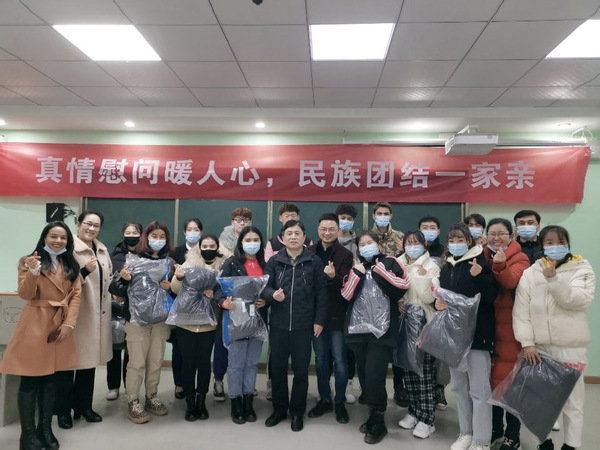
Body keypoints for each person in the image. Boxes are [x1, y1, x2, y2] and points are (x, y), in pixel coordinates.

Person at [0, 221, 82, 450]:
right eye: (53, 236)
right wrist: (33, 272)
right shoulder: (29, 261)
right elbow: (25, 294)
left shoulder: (71, 264)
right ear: (44, 238)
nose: (58, 241)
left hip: (60, 325)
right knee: (30, 379)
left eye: (63, 237)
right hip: (35, 324)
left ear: (68, 241)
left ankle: (45, 428)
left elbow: (76, 296)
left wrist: (69, 324)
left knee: (51, 379)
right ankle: (27, 435)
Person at [514, 225, 595, 450]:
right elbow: (521, 310)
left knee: (572, 402)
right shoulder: (531, 272)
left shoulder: (581, 268)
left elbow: (578, 300)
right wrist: (527, 343)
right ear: (542, 246)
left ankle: (571, 444)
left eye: (560, 242)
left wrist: (554, 280)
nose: (555, 246)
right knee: (541, 400)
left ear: (568, 244)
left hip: (571, 347)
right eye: (549, 243)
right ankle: (544, 441)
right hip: (540, 349)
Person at [341, 230, 409, 444]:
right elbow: (346, 294)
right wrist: (357, 273)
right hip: (358, 330)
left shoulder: (391, 263)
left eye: (369, 242)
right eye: (362, 244)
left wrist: (380, 270)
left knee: (375, 374)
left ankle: (379, 420)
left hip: (382, 331)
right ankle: (372, 414)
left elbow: (402, 286)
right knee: (363, 374)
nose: (366, 247)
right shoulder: (357, 266)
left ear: (378, 245)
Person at [435, 222, 497, 450]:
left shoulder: (480, 262)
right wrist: (437, 303)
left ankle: (481, 441)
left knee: (479, 391)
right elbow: (443, 297)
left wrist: (480, 276)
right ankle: (466, 433)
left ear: (469, 241)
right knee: (460, 389)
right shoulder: (447, 267)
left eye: (460, 239)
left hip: (478, 336)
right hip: (454, 337)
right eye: (452, 240)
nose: (456, 244)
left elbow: (491, 297)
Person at [262, 220, 328, 432]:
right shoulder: (274, 261)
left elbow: (322, 293)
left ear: (304, 237)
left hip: (303, 325)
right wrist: (272, 295)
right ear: (282, 238)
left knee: (301, 371)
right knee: (278, 369)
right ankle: (279, 409)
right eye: (289, 233)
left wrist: (319, 320)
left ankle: (297, 412)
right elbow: (264, 287)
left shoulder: (314, 261)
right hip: (279, 325)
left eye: (297, 233)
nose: (293, 237)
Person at [109, 221, 175, 424]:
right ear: (146, 238)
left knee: (155, 361)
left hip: (161, 319)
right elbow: (115, 289)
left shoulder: (170, 263)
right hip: (136, 319)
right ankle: (133, 400)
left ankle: (152, 396)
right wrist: (124, 278)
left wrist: (171, 287)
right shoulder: (133, 260)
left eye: (162, 237)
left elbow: (178, 291)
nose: (158, 240)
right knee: (136, 363)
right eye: (154, 236)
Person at [55, 210, 113, 429]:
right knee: (66, 365)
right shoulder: (67, 248)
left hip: (97, 315)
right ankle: (63, 411)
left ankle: (84, 407)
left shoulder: (102, 250)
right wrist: (83, 272)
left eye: (96, 225)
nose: (91, 228)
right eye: (87, 224)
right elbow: (58, 281)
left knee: (88, 364)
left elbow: (107, 280)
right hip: (74, 315)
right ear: (78, 224)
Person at [483, 218, 529, 450]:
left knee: (510, 384)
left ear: (511, 236)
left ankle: (513, 435)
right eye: (492, 233)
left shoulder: (520, 258)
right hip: (486, 327)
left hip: (510, 329)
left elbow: (511, 282)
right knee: (490, 383)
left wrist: (500, 265)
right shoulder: (481, 255)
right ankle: (495, 429)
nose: (497, 238)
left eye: (501, 233)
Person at [214, 226, 268, 424]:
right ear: (241, 243)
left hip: (257, 320)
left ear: (261, 243)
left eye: (256, 240)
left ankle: (248, 401)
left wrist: (266, 300)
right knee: (236, 364)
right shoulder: (232, 263)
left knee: (252, 363)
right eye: (248, 240)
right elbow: (218, 289)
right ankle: (236, 402)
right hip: (235, 320)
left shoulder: (266, 264)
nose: (252, 243)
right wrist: (223, 303)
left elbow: (270, 289)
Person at [170, 234, 226, 421]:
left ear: (217, 248)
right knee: (188, 364)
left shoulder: (223, 266)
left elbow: (227, 291)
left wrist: (215, 293)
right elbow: (175, 289)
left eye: (212, 246)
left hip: (209, 325)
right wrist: (179, 278)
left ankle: (201, 401)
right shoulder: (189, 263)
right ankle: (190, 402)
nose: (208, 249)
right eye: (205, 246)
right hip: (186, 323)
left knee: (203, 364)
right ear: (199, 248)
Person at [307, 214, 353, 424]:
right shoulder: (309, 252)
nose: (327, 233)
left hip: (337, 316)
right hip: (316, 316)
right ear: (318, 230)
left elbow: (347, 286)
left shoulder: (345, 254)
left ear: (338, 230)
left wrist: (334, 277)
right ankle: (325, 399)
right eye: (323, 229)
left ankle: (339, 401)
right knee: (321, 359)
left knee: (340, 359)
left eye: (331, 229)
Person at [396, 230, 440, 440]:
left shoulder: (431, 266)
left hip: (425, 323)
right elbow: (394, 289)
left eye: (417, 243)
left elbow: (430, 297)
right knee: (409, 369)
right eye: (409, 242)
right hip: (405, 324)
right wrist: (398, 301)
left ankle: (427, 419)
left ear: (424, 245)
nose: (412, 246)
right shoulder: (398, 263)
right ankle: (414, 412)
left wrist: (423, 277)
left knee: (424, 372)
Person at [370, 201, 408, 408]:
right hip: (371, 302)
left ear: (391, 216)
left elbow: (405, 269)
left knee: (397, 346)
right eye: (379, 213)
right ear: (373, 215)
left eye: (386, 213)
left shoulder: (401, 238)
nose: (383, 216)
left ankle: (399, 388)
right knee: (375, 353)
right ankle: (373, 392)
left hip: (395, 299)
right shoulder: (367, 237)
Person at [106, 222, 142, 401]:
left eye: (135, 232)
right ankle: (113, 386)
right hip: (115, 308)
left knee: (131, 351)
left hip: (136, 309)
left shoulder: (144, 255)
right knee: (114, 350)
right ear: (123, 235)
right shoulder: (113, 255)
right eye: (128, 232)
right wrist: (115, 292)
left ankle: (130, 386)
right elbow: (107, 279)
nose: (132, 235)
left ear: (141, 235)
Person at [170, 218, 204, 400]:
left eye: (196, 229)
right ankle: (179, 384)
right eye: (189, 229)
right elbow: (171, 278)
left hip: (202, 307)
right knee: (179, 349)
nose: (192, 232)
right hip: (181, 306)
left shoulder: (206, 250)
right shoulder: (176, 252)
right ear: (184, 232)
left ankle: (197, 387)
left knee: (198, 352)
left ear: (201, 232)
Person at [417, 215, 448, 410]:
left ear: (438, 231)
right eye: (424, 227)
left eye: (432, 227)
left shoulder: (446, 251)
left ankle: (439, 389)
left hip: (441, 307)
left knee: (439, 355)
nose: (428, 230)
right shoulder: (413, 250)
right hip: (417, 308)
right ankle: (418, 392)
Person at [336, 203, 359, 404]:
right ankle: (330, 386)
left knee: (349, 346)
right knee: (329, 349)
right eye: (342, 217)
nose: (345, 221)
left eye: (349, 218)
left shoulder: (359, 244)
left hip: (352, 301)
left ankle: (349, 383)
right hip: (331, 301)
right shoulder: (327, 241)